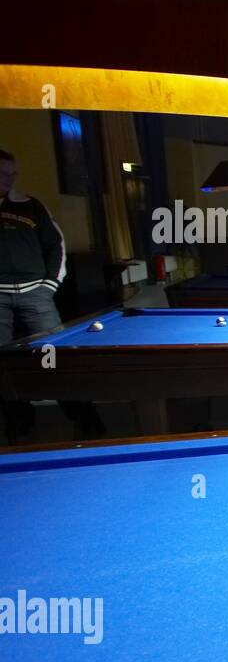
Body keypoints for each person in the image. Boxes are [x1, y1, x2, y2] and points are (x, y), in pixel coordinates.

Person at [0, 148, 104, 443]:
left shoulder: (31, 206)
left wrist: (49, 285)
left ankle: (88, 424)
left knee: (55, 358)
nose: (9, 179)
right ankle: (19, 429)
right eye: (3, 173)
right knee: (4, 367)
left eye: (12, 173)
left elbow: (56, 246)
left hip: (36, 295)